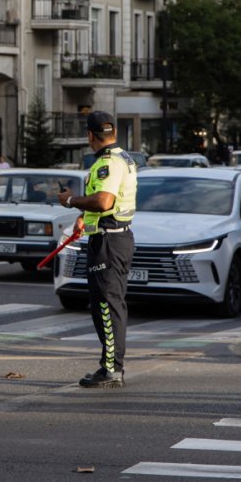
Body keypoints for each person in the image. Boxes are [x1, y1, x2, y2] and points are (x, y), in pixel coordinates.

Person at [57, 111, 137, 388]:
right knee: (108, 304)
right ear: (112, 131)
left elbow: (103, 201)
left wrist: (71, 201)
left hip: (108, 243)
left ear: (90, 135)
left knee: (106, 305)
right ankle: (111, 366)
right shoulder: (124, 157)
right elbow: (110, 204)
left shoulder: (108, 163)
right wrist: (85, 219)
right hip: (114, 237)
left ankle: (112, 369)